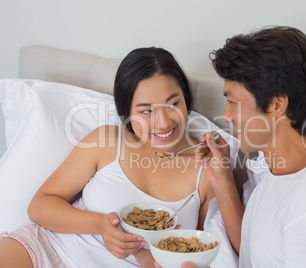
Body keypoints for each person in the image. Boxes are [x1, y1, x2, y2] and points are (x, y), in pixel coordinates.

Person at [0, 47, 216, 267]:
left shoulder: (206, 168)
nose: (163, 123)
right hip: (51, 250)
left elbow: (199, 250)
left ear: (185, 98)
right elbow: (39, 207)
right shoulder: (107, 140)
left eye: (172, 104)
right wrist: (101, 225)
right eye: (146, 111)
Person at [194, 26, 306, 267]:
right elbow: (256, 252)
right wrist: (221, 178)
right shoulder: (274, 175)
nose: (226, 116)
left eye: (232, 102)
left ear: (276, 104)